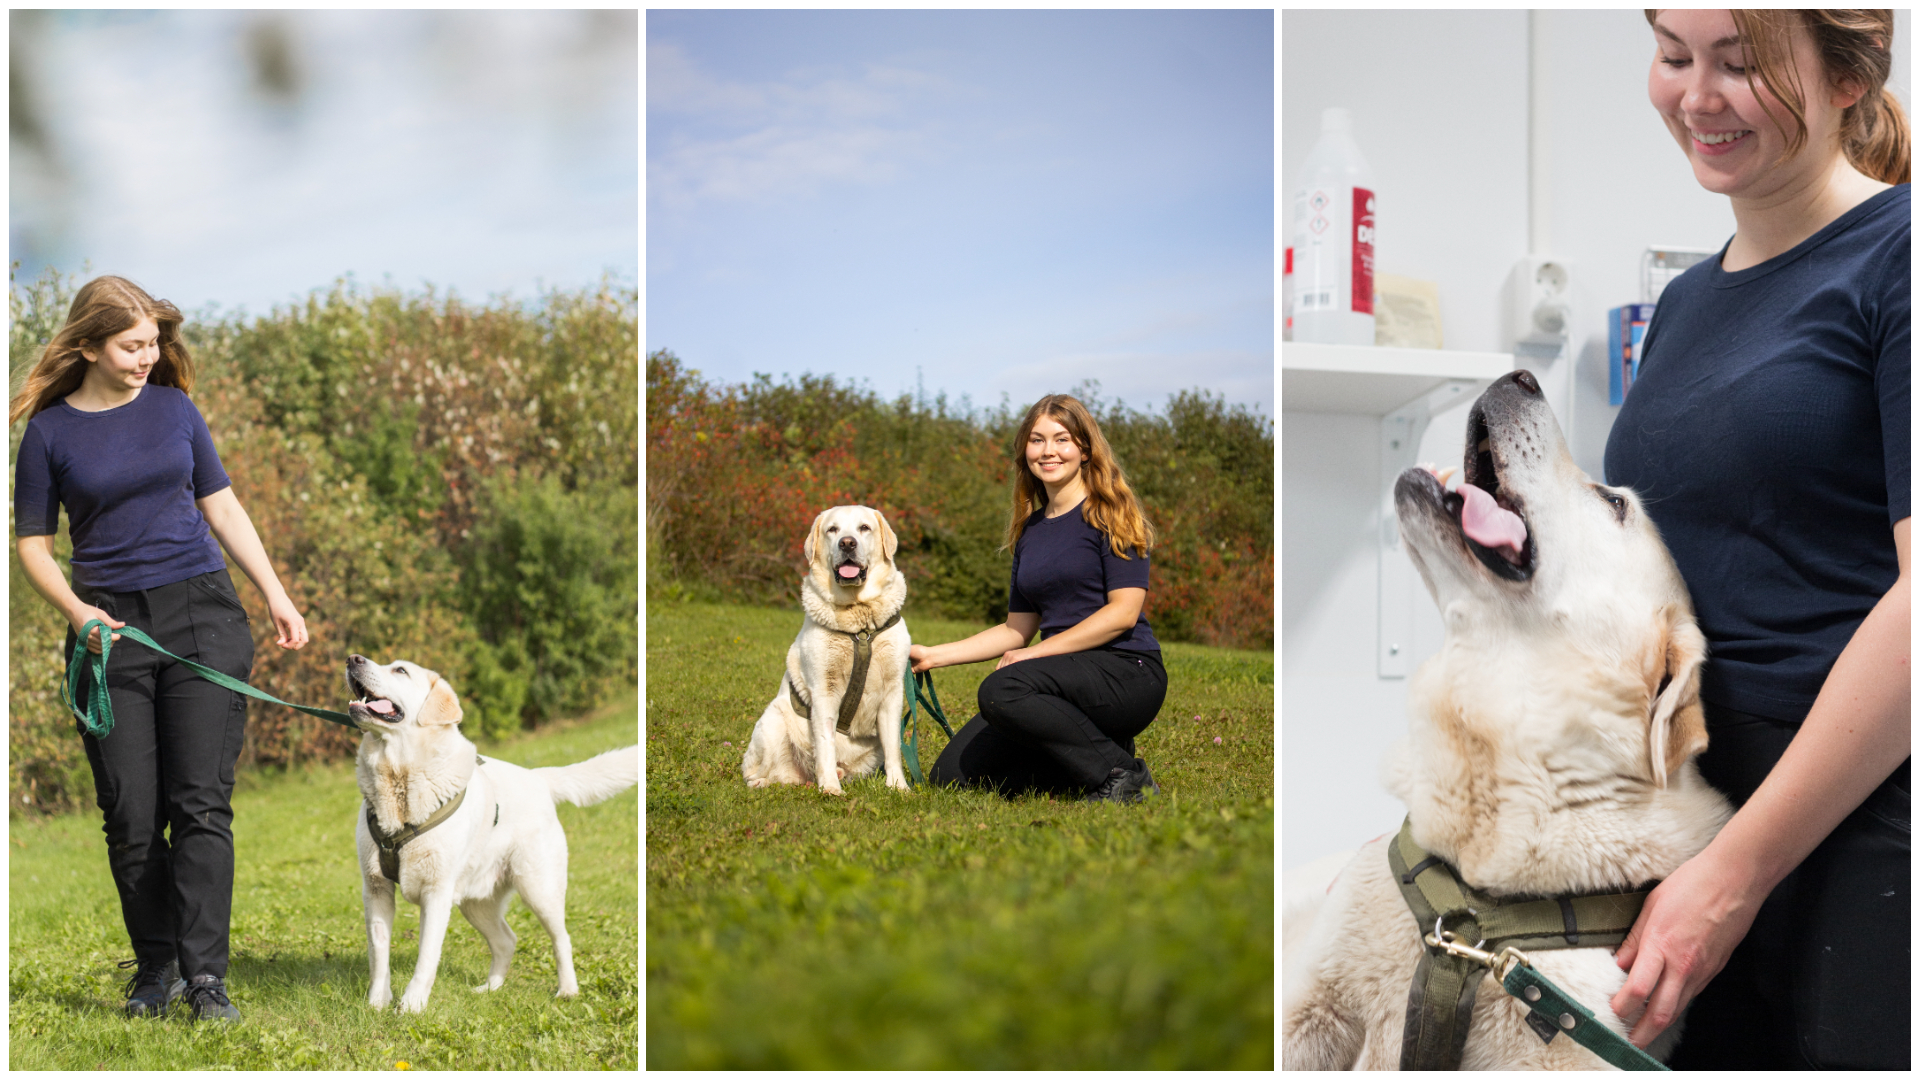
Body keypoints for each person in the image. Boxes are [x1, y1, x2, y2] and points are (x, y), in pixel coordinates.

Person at [1602, 10, 1908, 1069]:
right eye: (1674, 57)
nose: (1696, 97)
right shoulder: (1684, 304)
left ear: (1845, 79)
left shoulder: (1902, 257)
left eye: (1741, 65)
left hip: (1849, 831)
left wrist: (1735, 873)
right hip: (1691, 806)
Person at [12, 276, 311, 1023]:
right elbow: (33, 546)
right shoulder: (49, 433)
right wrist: (79, 611)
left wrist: (275, 591)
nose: (150, 355)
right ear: (89, 346)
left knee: (201, 804)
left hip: (202, 614)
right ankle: (157, 969)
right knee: (131, 814)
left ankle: (206, 979)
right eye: (132, 344)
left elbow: (221, 502)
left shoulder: (176, 408)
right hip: (108, 632)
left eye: (154, 342)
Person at [910, 393, 1166, 803]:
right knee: (950, 777)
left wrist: (1034, 655)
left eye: (1061, 439)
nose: (1048, 451)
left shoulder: (1111, 512)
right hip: (1060, 679)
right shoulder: (1031, 530)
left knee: (1003, 688)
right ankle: (1094, 756)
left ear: (1084, 449)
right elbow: (1017, 629)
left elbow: (1123, 613)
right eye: (1037, 440)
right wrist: (935, 655)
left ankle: (1123, 774)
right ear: (1024, 450)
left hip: (1127, 672)